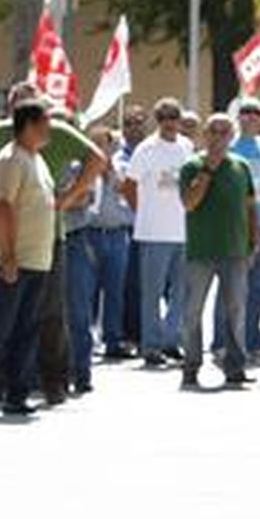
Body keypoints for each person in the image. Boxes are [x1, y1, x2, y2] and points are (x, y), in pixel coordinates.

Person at [0, 100, 57, 416]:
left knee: (25, 330)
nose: (50, 128)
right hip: (12, 260)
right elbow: (1, 206)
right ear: (29, 125)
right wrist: (7, 255)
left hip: (36, 260)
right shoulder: (10, 159)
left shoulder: (36, 159)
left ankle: (16, 394)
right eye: (46, 122)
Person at [179, 113, 259, 391]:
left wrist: (254, 241)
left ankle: (235, 367)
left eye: (225, 132)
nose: (218, 137)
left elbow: (251, 207)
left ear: (232, 136)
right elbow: (189, 203)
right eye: (213, 131)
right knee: (192, 311)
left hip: (235, 251)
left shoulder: (241, 167)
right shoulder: (191, 166)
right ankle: (190, 367)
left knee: (236, 310)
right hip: (201, 251)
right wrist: (208, 171)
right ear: (204, 134)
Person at [123, 97, 192, 368]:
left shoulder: (186, 147)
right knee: (151, 293)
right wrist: (143, 213)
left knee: (180, 293)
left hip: (183, 231)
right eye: (164, 117)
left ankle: (171, 339)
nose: (170, 122)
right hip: (153, 233)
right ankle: (151, 345)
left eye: (174, 116)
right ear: (158, 120)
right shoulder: (146, 149)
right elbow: (129, 186)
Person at [62, 125, 126, 394]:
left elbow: (83, 198)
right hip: (51, 240)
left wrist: (53, 200)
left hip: (78, 237)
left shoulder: (82, 166)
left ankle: (81, 372)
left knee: (80, 311)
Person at [219, 97, 260, 362]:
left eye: (256, 112)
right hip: (234, 226)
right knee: (231, 288)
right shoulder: (229, 147)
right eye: (245, 112)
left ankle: (253, 343)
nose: (250, 117)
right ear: (238, 116)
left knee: (258, 288)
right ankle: (222, 343)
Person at [116, 103, 151, 354]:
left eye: (139, 122)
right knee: (127, 285)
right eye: (129, 123)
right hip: (127, 226)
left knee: (148, 285)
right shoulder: (118, 158)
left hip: (152, 228)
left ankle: (148, 333)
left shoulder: (152, 153)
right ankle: (128, 334)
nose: (134, 128)